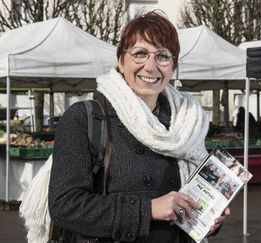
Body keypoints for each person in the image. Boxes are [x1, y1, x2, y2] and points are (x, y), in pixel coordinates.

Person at [48, 10, 228, 243]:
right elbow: (65, 206)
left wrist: (207, 218)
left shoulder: (187, 124)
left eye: (162, 56)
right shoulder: (84, 118)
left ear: (173, 67)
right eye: (140, 53)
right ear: (121, 62)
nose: (151, 67)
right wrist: (149, 209)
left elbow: (186, 204)